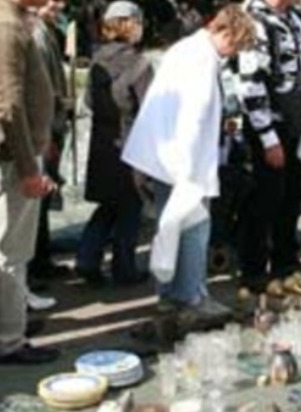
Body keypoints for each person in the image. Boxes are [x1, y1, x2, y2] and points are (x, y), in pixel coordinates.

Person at [122, 4, 256, 318]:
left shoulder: (185, 49)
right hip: (184, 158)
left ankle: (168, 292)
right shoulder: (201, 59)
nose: (231, 53)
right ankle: (193, 294)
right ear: (223, 31)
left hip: (165, 153)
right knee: (195, 227)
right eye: (233, 44)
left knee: (171, 225)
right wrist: (191, 171)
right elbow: (194, 118)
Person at [0, 0, 61, 365]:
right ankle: (6, 339)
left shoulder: (5, 14)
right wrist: (27, 168)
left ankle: (11, 323)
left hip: (12, 152)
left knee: (12, 246)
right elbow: (9, 106)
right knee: (10, 248)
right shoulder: (5, 26)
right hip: (11, 156)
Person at [230, 0, 301, 290]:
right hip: (268, 122)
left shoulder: (293, 17)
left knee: (293, 191)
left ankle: (285, 259)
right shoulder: (254, 21)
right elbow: (250, 83)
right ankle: (253, 267)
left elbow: (300, 65)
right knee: (266, 196)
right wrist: (267, 138)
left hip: (294, 118)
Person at [76, 0, 153, 287]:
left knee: (108, 205)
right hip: (132, 144)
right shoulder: (139, 63)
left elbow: (88, 102)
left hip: (102, 143)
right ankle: (124, 269)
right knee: (130, 208)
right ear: (130, 25)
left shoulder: (97, 60)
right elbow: (150, 109)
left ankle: (86, 257)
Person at [27, 0, 70, 298]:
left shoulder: (45, 31)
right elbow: (42, 90)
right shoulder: (37, 34)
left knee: (42, 200)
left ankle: (40, 259)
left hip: (50, 125)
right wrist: (49, 135)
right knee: (37, 201)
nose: (59, 5)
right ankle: (34, 262)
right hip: (44, 129)